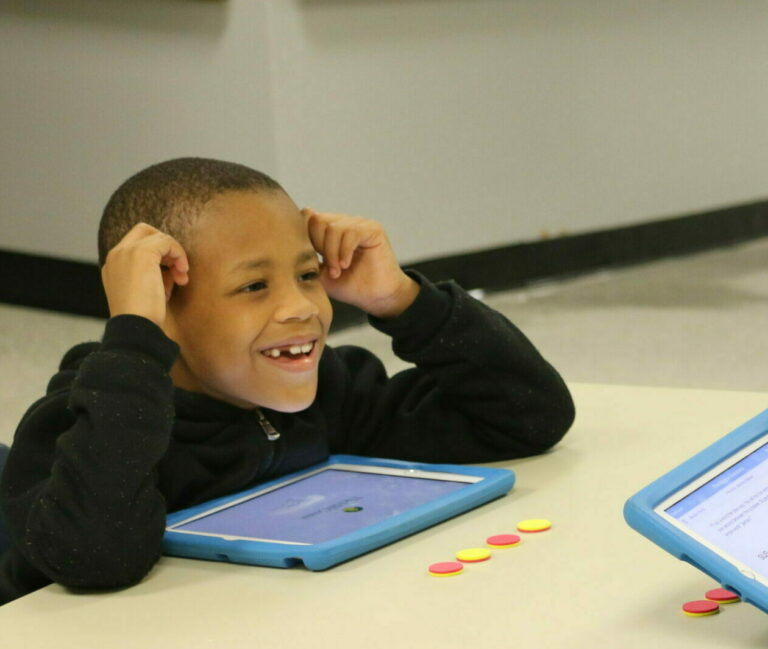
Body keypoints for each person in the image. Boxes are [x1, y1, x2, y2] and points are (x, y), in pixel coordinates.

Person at [0, 157, 575, 605]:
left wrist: (401, 299)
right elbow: (93, 560)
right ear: (160, 300)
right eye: (254, 287)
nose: (302, 307)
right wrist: (133, 339)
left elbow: (529, 416)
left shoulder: (334, 392)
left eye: (307, 275)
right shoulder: (87, 423)